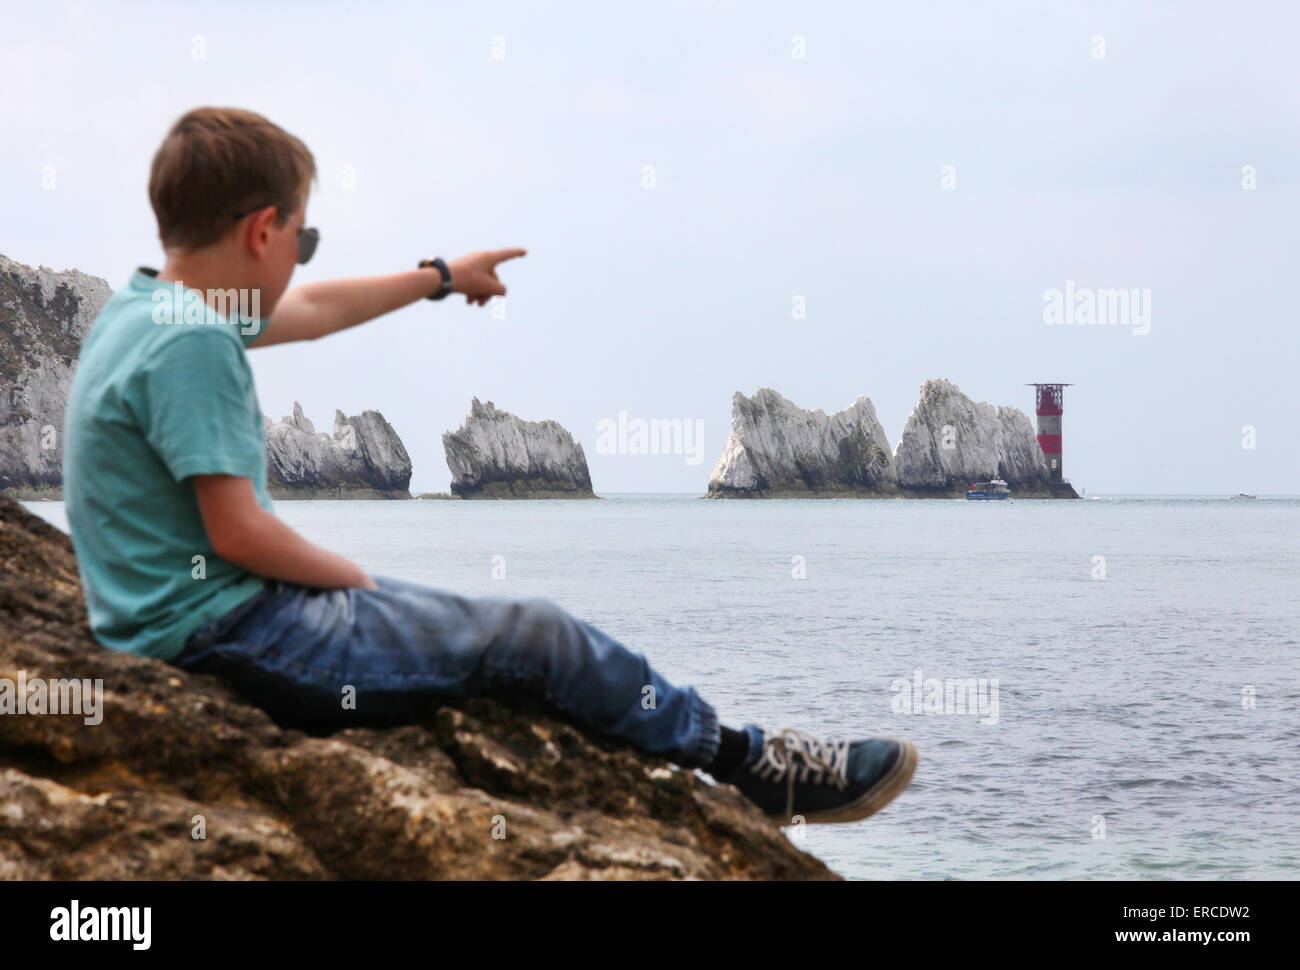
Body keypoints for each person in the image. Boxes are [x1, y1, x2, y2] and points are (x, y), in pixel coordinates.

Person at [62, 106, 917, 827]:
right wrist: (354, 581)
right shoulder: (197, 345)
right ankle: (751, 765)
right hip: (230, 636)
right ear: (261, 231)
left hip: (186, 620)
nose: (301, 261)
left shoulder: (146, 310)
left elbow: (314, 312)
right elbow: (238, 530)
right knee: (533, 633)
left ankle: (732, 750)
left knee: (471, 618)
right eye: (303, 237)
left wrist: (439, 276)